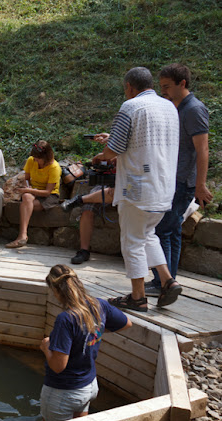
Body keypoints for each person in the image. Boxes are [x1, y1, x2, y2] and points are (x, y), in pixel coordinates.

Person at [93, 67, 181, 312]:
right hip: (163, 185)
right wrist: (113, 139)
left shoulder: (130, 107)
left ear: (130, 87)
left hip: (137, 187)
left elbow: (115, 149)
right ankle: (167, 280)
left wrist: (103, 154)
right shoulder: (169, 107)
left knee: (132, 241)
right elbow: (148, 140)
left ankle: (138, 296)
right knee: (147, 234)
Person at [145, 64, 211, 297]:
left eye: (166, 86)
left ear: (182, 84)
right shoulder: (177, 107)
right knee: (170, 231)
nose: (163, 91)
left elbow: (202, 150)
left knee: (163, 230)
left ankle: (162, 282)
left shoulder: (193, 109)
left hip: (182, 182)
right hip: (172, 180)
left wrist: (201, 185)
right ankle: (168, 280)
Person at [40, 264, 131, 421]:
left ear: (55, 290)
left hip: (63, 392)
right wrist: (96, 331)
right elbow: (126, 323)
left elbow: (58, 366)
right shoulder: (99, 305)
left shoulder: (66, 319)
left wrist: (46, 347)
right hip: (88, 387)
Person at [6, 140, 62, 249]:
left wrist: (29, 191)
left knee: (26, 201)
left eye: (38, 158)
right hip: (33, 191)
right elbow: (26, 178)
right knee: (26, 198)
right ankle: (23, 235)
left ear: (46, 157)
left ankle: (21, 236)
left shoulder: (54, 167)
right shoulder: (31, 161)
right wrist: (28, 187)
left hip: (49, 196)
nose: (36, 160)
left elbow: (47, 192)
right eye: (35, 157)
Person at [63, 186, 115, 264]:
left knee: (116, 191)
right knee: (88, 207)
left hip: (128, 185)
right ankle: (84, 251)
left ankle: (80, 199)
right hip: (105, 183)